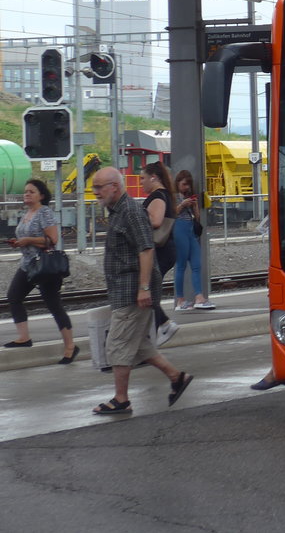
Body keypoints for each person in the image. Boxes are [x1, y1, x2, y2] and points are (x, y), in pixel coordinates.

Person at [90, 166, 193, 415]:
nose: (95, 193)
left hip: (132, 289)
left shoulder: (130, 211)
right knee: (136, 345)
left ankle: (121, 399)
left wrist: (144, 288)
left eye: (99, 187)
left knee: (117, 344)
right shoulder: (117, 210)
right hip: (124, 289)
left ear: (114, 186)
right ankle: (176, 377)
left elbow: (146, 249)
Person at [5, 178, 78, 363]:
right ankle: (24, 338)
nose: (26, 194)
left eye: (31, 191)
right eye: (25, 191)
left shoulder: (44, 212)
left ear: (41, 196)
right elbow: (26, 238)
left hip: (44, 265)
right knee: (14, 296)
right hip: (28, 264)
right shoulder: (27, 213)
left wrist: (28, 240)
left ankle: (70, 346)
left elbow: (52, 239)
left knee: (54, 305)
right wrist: (19, 243)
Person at [141, 161, 179, 344]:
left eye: (143, 178)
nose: (140, 182)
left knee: (146, 291)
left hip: (160, 250)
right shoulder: (165, 195)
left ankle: (163, 324)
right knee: (148, 291)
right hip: (166, 249)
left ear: (153, 177)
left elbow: (156, 221)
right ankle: (158, 327)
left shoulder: (158, 196)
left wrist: (138, 215)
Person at [173, 169, 214, 310]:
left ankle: (199, 297)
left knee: (197, 265)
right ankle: (180, 300)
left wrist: (195, 206)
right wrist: (182, 204)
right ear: (178, 183)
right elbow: (172, 214)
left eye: (188, 185)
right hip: (179, 230)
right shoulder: (173, 197)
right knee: (181, 265)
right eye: (184, 184)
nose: (187, 188)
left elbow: (197, 218)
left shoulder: (188, 197)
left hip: (190, 231)